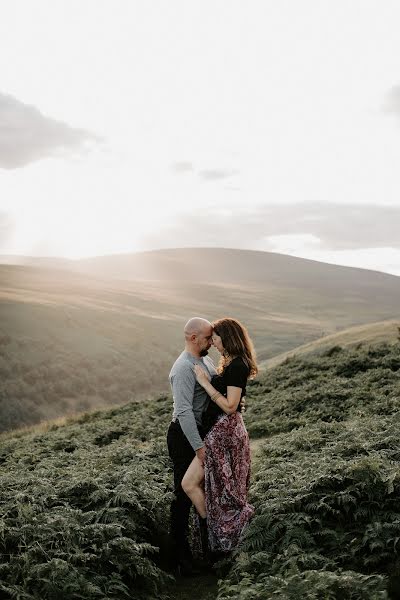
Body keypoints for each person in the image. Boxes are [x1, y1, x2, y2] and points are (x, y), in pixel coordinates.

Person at [181, 317, 257, 558]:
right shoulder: (230, 362)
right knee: (217, 488)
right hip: (222, 430)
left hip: (225, 432)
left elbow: (231, 406)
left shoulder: (238, 366)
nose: (212, 342)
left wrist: (205, 383)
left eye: (216, 337)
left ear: (227, 338)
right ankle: (215, 542)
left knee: (197, 485)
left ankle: (220, 538)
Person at [166, 317, 216, 575]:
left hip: (200, 434)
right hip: (184, 437)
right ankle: (180, 559)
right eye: (208, 337)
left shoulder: (205, 361)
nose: (211, 342)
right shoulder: (183, 368)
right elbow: (184, 412)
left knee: (202, 491)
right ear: (193, 337)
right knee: (183, 496)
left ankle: (207, 551)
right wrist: (199, 447)